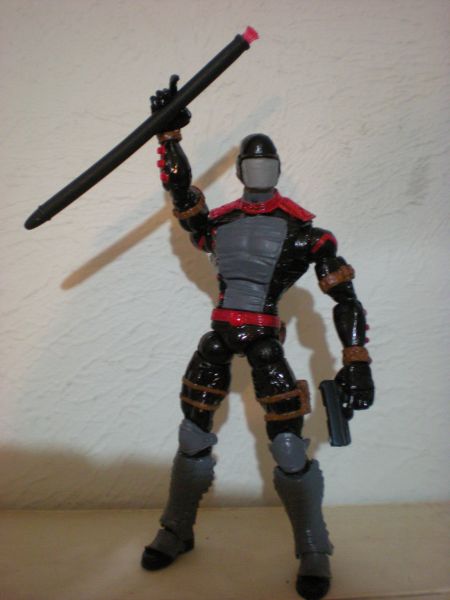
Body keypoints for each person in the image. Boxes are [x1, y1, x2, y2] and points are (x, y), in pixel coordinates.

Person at [141, 77, 374, 600]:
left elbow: (345, 298)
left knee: (289, 445)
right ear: (242, 171)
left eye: (268, 164)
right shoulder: (218, 224)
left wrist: (356, 360)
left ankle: (313, 546)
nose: (260, 172)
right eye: (252, 164)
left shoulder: (306, 233)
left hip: (266, 341)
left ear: (279, 170)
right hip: (219, 335)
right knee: (191, 434)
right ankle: (176, 528)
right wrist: (169, 136)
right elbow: (182, 194)